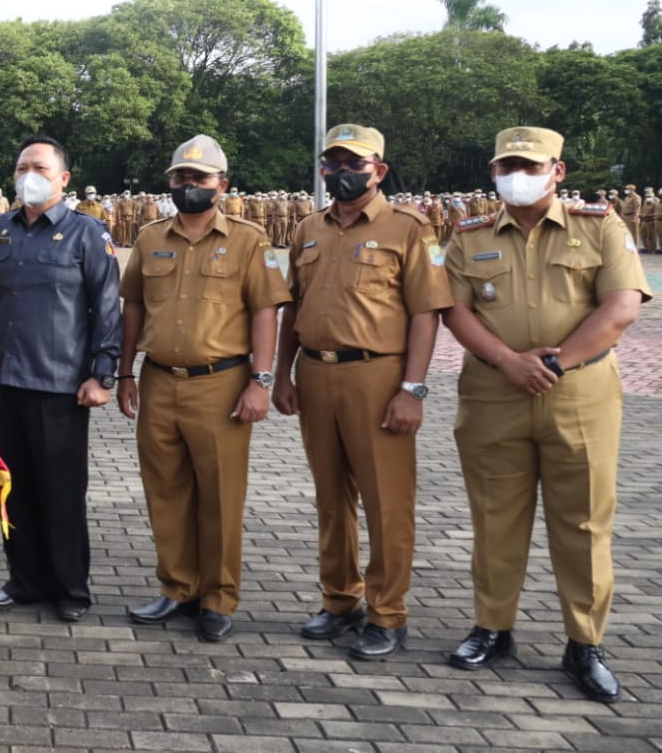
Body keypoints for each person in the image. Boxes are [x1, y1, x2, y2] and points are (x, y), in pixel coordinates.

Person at [441, 127, 650, 701]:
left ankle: (585, 643)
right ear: (493, 172)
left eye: (531, 165)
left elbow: (621, 306)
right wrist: (510, 362)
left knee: (583, 521)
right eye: (508, 164)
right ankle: (492, 627)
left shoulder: (601, 225)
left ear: (557, 171)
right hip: (492, 393)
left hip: (579, 393)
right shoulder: (469, 236)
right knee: (494, 517)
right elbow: (454, 312)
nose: (518, 174)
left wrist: (553, 366)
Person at [271, 124, 452, 660]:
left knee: (386, 502)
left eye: (354, 164)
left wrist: (412, 389)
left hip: (379, 377)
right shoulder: (309, 227)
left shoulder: (409, 229)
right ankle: (339, 600)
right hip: (317, 374)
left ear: (379, 170)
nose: (341, 173)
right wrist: (281, 374)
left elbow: (426, 314)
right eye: (333, 163)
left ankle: (387, 613)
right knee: (331, 498)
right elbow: (293, 309)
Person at [117, 135, 290, 641]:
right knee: (165, 490)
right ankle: (177, 587)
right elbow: (133, 308)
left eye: (199, 178)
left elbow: (265, 310)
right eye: (180, 178)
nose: (188, 186)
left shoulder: (248, 239)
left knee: (219, 495)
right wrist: (125, 372)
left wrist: (260, 381)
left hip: (221, 383)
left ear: (222, 185)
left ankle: (217, 596)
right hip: (159, 379)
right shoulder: (150, 237)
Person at [0, 135, 120, 622]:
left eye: (38, 167)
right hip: (8, 381)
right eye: (20, 168)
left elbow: (107, 309)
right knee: (14, 488)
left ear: (63, 179)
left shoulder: (87, 234)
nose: (28, 175)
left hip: (61, 385)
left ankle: (70, 588)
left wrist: (103, 373)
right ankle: (24, 579)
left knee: (60, 490)